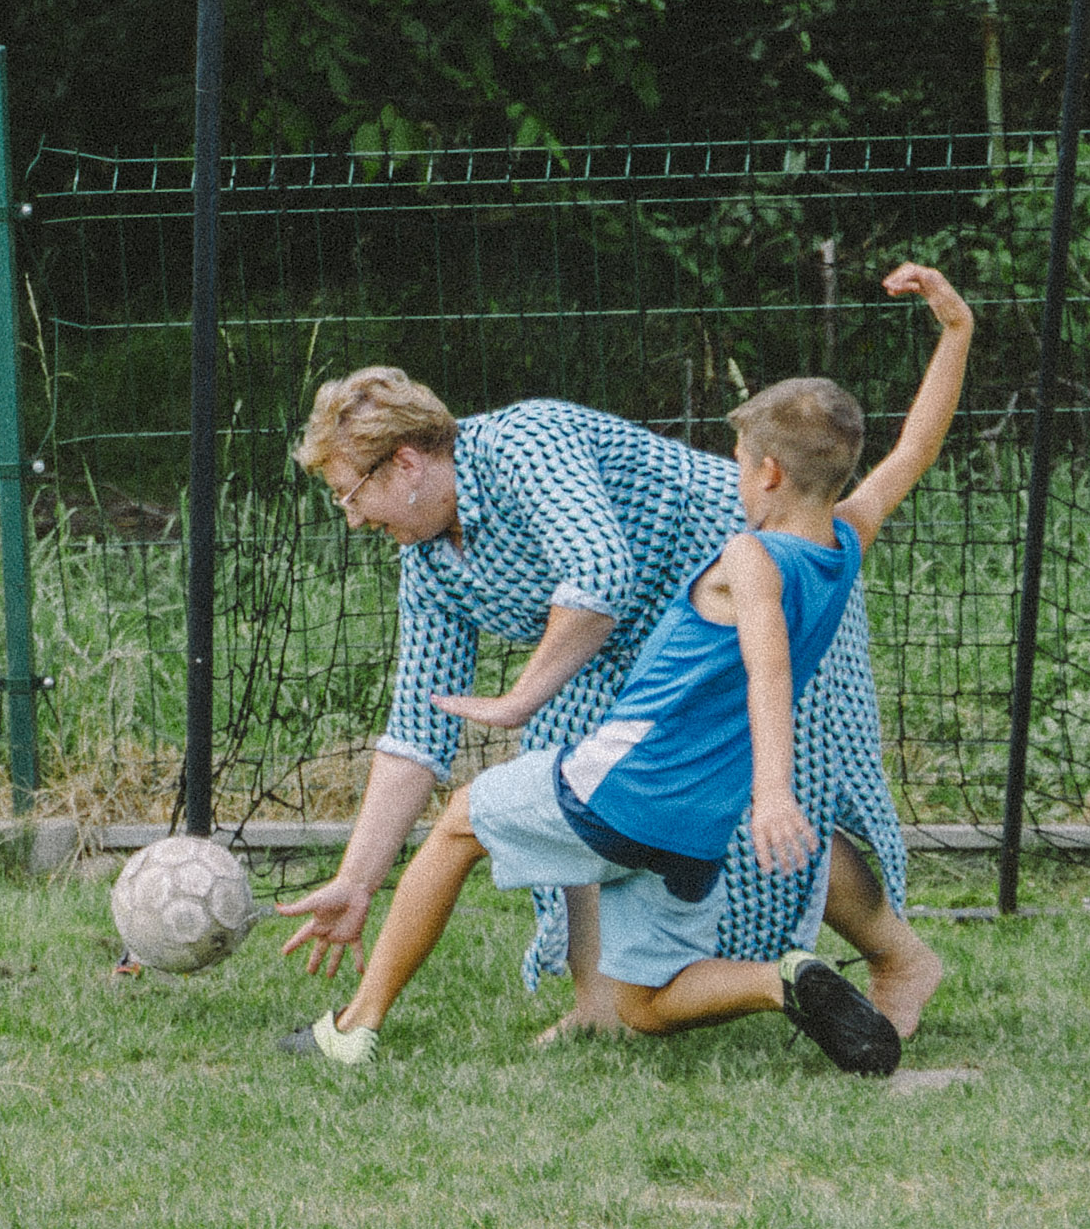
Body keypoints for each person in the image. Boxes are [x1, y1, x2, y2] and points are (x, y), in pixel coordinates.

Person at [271, 262, 974, 1055]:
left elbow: (599, 578)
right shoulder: (430, 564)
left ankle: (897, 957)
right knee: (605, 786)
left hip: (741, 597)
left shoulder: (526, 445)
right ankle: (612, 999)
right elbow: (414, 730)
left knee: (777, 794)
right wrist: (358, 879)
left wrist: (517, 702)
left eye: (347, 492)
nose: (350, 516)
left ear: (401, 465)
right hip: (672, 633)